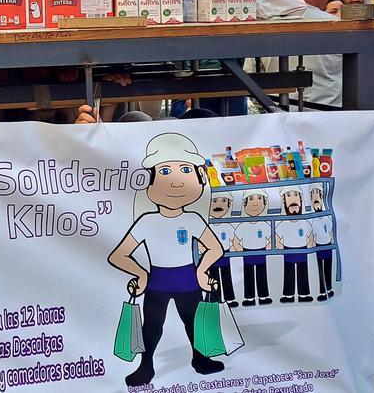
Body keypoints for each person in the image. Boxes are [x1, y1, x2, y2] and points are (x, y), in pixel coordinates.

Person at [108, 132, 225, 386]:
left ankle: (201, 358)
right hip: (157, 283)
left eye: (185, 170)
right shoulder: (147, 221)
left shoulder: (193, 219)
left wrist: (202, 270)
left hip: (188, 281)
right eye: (164, 172)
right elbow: (118, 255)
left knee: (194, 325)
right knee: (151, 327)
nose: (176, 183)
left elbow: (215, 248)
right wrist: (141, 273)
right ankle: (146, 366)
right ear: (148, 183)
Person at [232, 190, 272, 306]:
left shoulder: (265, 224)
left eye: (259, 199)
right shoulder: (242, 225)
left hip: (261, 252)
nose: (255, 204)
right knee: (248, 276)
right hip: (247, 253)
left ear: (265, 203)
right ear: (244, 204)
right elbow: (236, 240)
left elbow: (271, 238)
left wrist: (269, 246)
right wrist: (238, 248)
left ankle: (263, 296)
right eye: (251, 199)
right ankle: (249, 297)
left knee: (261, 275)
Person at [277, 186, 315, 303]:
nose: (293, 199)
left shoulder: (305, 221)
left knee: (303, 271)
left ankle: (303, 294)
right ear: (284, 201)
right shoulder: (282, 223)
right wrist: (279, 246)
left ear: (301, 199)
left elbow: (311, 237)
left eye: (295, 195)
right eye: (288, 196)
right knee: (288, 272)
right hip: (288, 251)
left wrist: (310, 244)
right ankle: (288, 294)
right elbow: (277, 237)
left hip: (302, 251)